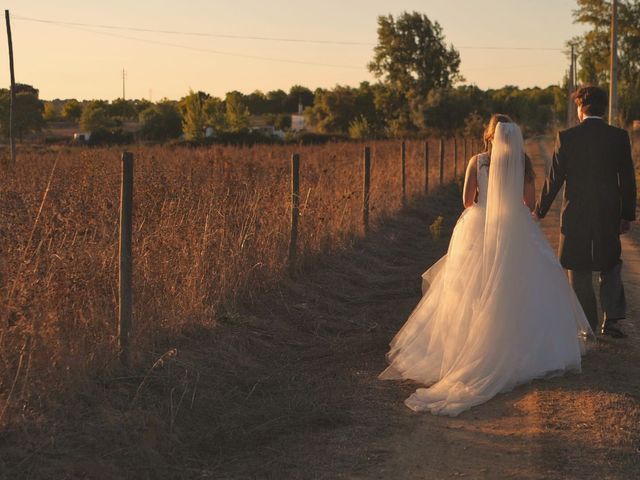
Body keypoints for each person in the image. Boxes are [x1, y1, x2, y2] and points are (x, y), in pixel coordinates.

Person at [379, 118, 592, 417]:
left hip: (480, 226)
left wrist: (486, 201)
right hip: (516, 226)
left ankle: (469, 346)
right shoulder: (522, 161)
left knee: (472, 288)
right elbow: (529, 202)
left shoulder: (478, 162)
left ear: (489, 136)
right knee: (523, 286)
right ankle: (528, 350)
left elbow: (467, 201)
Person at [536, 85, 637, 338]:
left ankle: (587, 325)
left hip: (576, 212)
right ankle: (611, 321)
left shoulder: (567, 137)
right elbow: (627, 179)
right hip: (608, 212)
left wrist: (539, 211)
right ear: (603, 108)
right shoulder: (618, 136)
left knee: (577, 265)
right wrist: (626, 215)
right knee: (610, 263)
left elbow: (554, 180)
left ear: (580, 107)